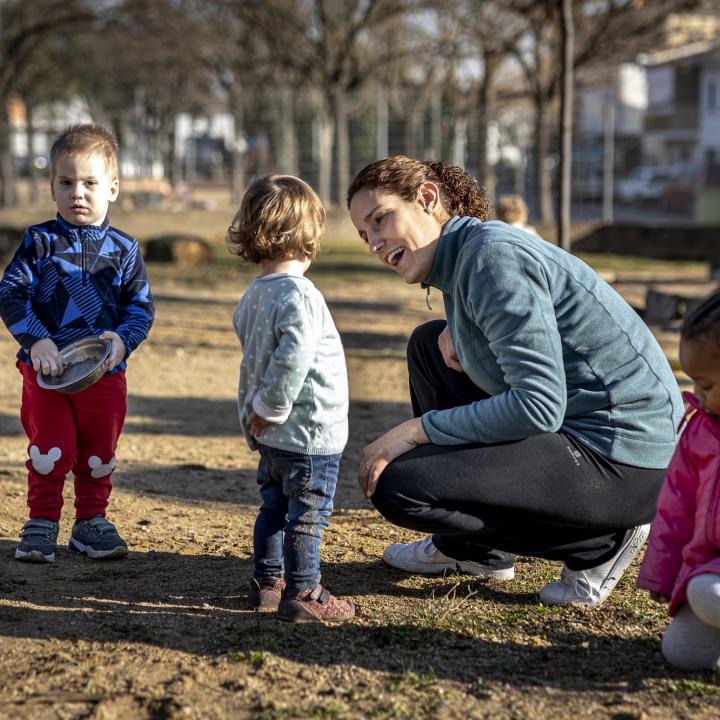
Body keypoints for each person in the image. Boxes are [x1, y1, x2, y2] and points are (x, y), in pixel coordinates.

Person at [347, 156, 683, 607]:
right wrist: (460, 329)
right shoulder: (465, 256)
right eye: (364, 234)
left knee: (401, 488)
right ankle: (476, 550)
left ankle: (600, 543)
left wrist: (415, 431)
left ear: (427, 199)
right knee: (429, 347)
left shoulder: (491, 256)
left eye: (380, 219)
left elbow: (538, 405)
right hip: (589, 436)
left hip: (629, 461)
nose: (373, 242)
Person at [0, 123, 154, 563]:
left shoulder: (125, 250)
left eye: (89, 183)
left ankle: (91, 522)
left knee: (98, 453)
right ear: (52, 188)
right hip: (45, 372)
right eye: (66, 183)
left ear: (113, 188)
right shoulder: (39, 241)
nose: (77, 193)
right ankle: (41, 522)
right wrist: (36, 342)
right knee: (50, 450)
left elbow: (141, 308)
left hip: (104, 373)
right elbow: (10, 293)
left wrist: (124, 342)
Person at [227, 174, 354, 623]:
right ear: (310, 235)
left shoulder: (254, 295)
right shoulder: (301, 296)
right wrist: (273, 405)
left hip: (271, 434)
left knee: (274, 507)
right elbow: (292, 358)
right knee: (307, 515)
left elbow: (254, 360)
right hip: (307, 432)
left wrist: (258, 413)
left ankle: (267, 582)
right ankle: (304, 591)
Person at [637, 292, 720, 670]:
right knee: (681, 654)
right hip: (708, 568)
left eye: (706, 384)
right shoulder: (699, 432)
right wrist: (662, 575)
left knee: (709, 593)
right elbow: (675, 510)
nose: (696, 395)